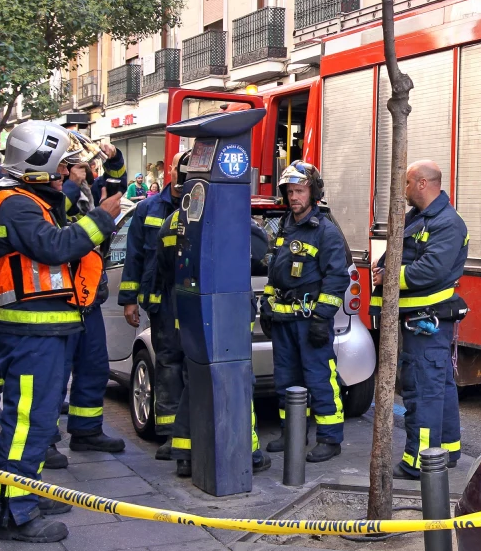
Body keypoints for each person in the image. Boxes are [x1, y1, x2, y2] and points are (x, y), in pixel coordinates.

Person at [0, 121, 121, 542]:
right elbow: (55, 247)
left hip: (46, 331)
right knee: (29, 423)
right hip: (32, 334)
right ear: (38, 162)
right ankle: (14, 515)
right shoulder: (14, 204)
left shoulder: (29, 198)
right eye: (58, 164)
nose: (62, 171)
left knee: (36, 422)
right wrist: (101, 220)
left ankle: (27, 494)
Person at [155, 160, 269, 477]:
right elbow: (260, 254)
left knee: (196, 382)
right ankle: (250, 452)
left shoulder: (172, 224)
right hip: (229, 319)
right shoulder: (230, 220)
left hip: (190, 316)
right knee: (237, 383)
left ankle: (185, 454)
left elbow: (166, 269)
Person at [372, 160, 468, 479]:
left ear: (423, 184)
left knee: (422, 390)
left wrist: (388, 277)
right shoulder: (424, 218)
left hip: (426, 322)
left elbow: (431, 270)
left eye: (408, 183)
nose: (405, 190)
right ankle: (448, 450)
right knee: (439, 386)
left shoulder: (447, 223)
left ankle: (420, 462)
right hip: (422, 320)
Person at [260, 162, 349, 463]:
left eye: (299, 191)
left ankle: (329, 437)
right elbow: (275, 274)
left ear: (313, 192)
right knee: (285, 380)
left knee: (320, 378)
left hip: (310, 322)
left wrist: (322, 318)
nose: (294, 197)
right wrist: (266, 307)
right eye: (290, 191)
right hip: (284, 321)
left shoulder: (325, 232)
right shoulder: (285, 227)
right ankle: (293, 433)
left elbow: (337, 278)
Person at [120, 152, 184, 460]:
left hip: (191, 300)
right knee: (168, 363)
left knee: (192, 365)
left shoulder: (200, 207)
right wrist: (129, 300)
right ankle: (171, 434)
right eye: (178, 167)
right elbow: (133, 257)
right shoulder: (147, 209)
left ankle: (190, 430)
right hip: (161, 301)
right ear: (170, 169)